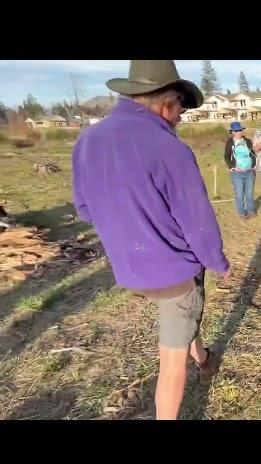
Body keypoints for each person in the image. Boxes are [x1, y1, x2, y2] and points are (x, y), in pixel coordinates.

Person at [72, 60, 230, 420]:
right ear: (167, 102)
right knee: (172, 363)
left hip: (130, 269)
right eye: (181, 110)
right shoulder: (170, 148)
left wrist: (129, 226)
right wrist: (218, 262)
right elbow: (199, 224)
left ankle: (204, 359)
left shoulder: (88, 139)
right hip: (172, 273)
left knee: (189, 314)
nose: (179, 119)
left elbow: (84, 207)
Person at [224, 121, 256, 218]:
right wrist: (231, 167)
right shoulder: (230, 143)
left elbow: (253, 154)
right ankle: (242, 213)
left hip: (249, 172)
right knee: (239, 194)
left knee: (249, 193)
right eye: (236, 131)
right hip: (236, 173)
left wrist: (254, 164)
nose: (238, 132)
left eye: (240, 130)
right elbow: (226, 156)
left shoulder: (248, 141)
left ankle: (251, 211)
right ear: (232, 132)